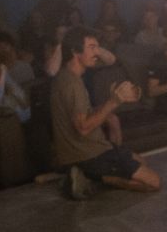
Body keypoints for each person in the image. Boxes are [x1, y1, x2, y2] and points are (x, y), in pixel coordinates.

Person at [51, 28, 159, 197]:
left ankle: (86, 173)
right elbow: (83, 128)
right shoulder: (72, 84)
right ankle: (97, 178)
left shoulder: (67, 75)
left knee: (141, 161)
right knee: (153, 183)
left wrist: (113, 100)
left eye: (97, 47)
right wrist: (114, 100)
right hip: (88, 154)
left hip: (87, 150)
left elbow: (82, 114)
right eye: (91, 47)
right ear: (75, 51)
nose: (97, 53)